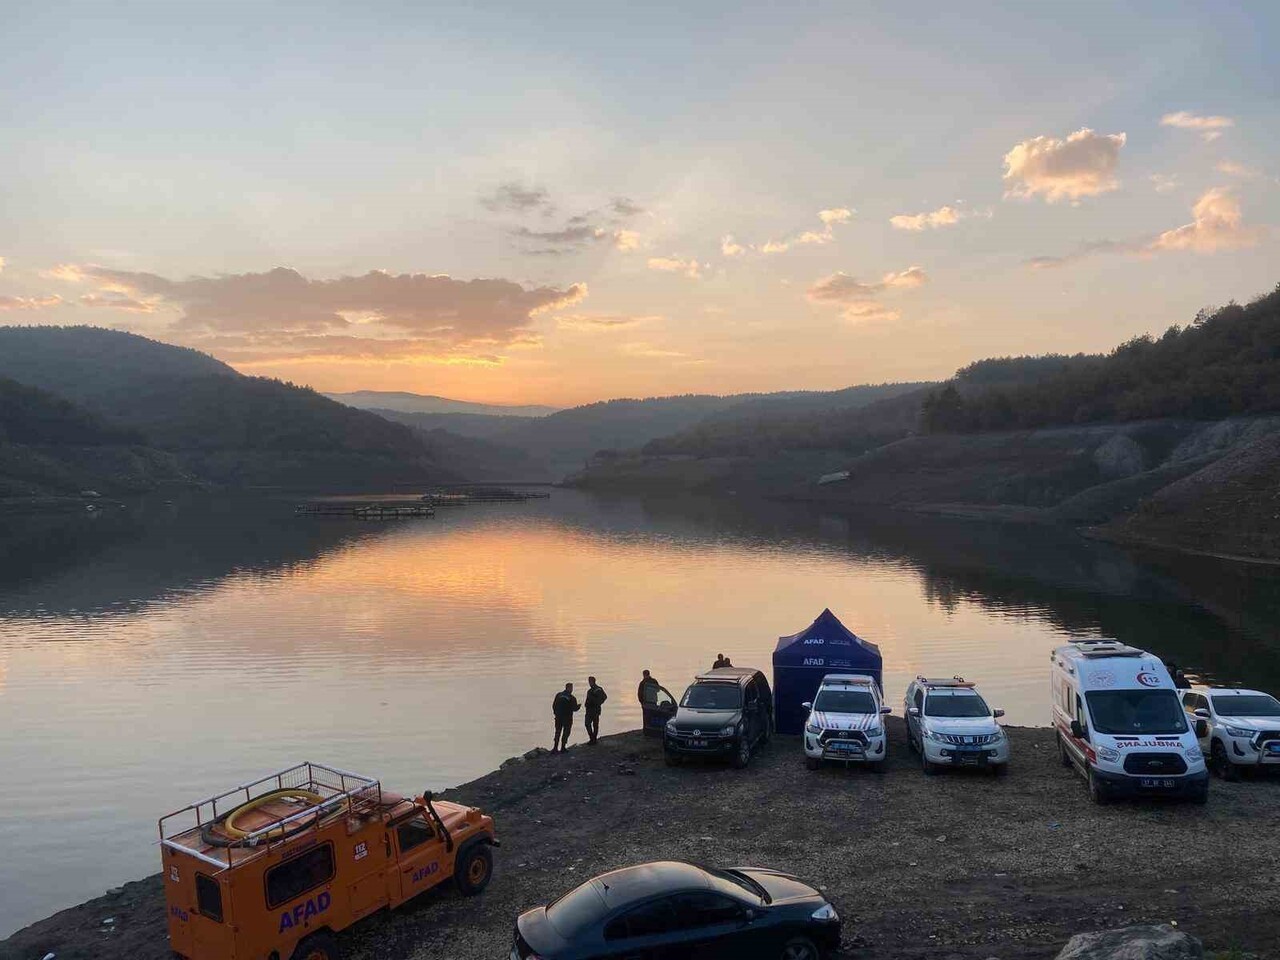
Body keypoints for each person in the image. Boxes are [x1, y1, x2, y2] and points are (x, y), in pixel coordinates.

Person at [552, 682, 580, 752]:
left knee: (557, 732)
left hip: (558, 717)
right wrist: (578, 707)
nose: (572, 689)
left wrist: (555, 713)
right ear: (569, 688)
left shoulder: (558, 695)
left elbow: (554, 705)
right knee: (566, 732)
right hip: (567, 718)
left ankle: (555, 748)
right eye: (571, 688)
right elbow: (574, 709)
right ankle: (563, 748)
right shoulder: (572, 698)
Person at [584, 676, 608, 744]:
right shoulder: (590, 690)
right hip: (589, 710)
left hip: (594, 710)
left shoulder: (598, 689)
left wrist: (597, 702)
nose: (589, 683)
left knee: (594, 724)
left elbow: (604, 697)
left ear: (593, 681)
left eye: (590, 681)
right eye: (589, 681)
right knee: (588, 724)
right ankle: (592, 738)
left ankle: (593, 739)